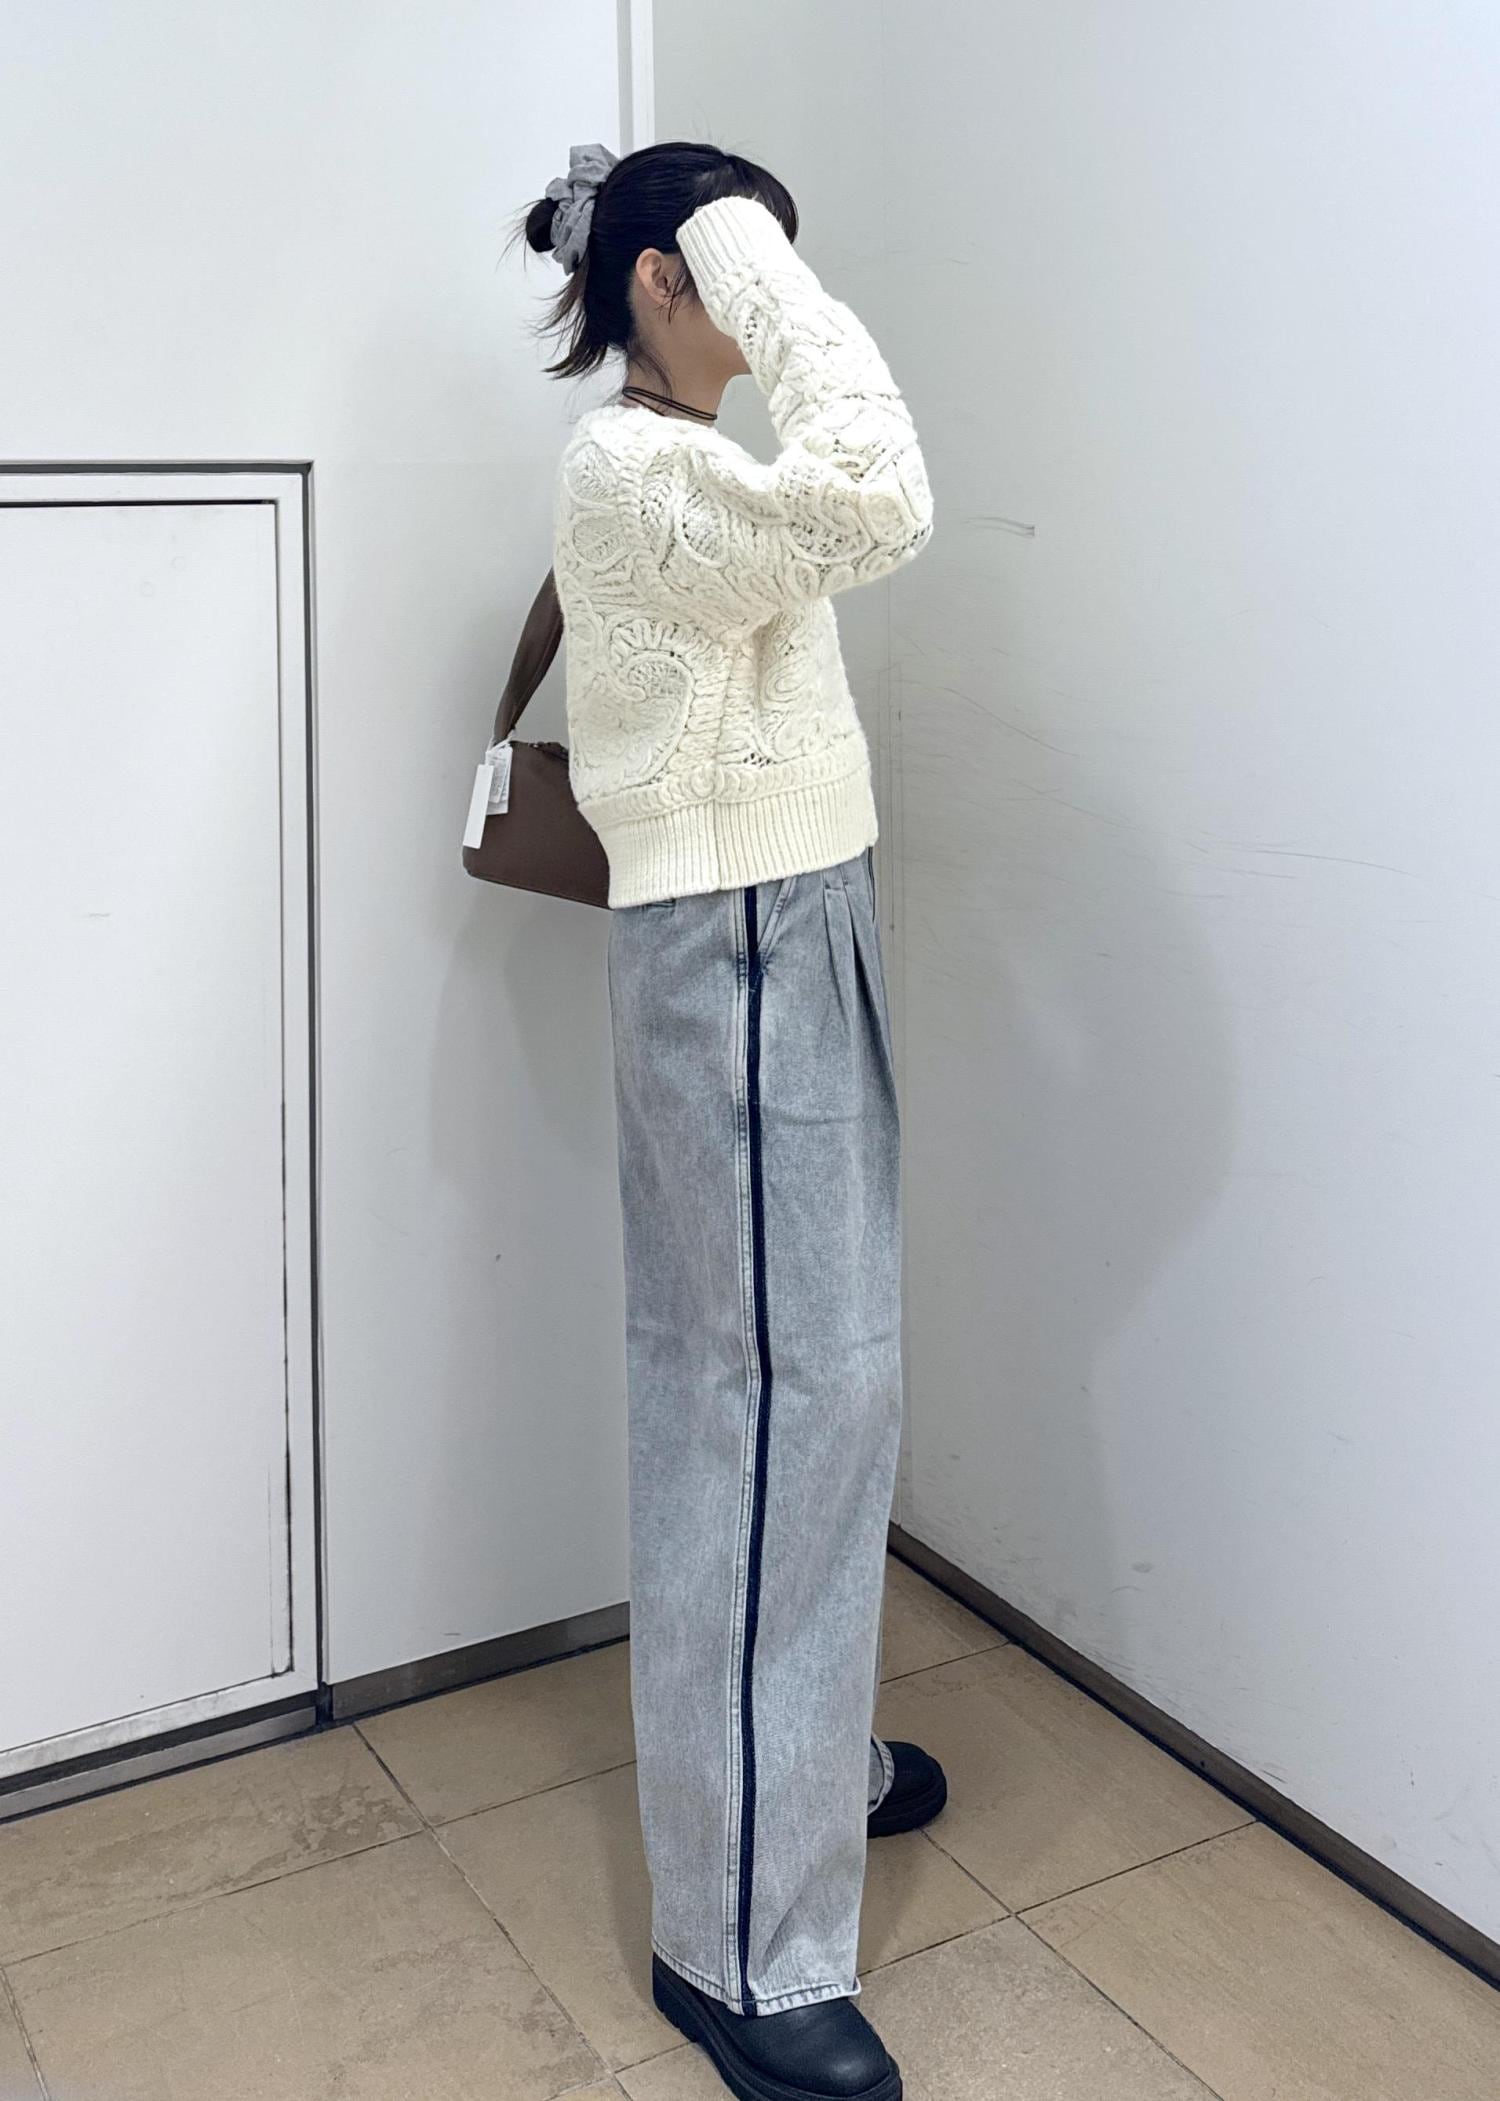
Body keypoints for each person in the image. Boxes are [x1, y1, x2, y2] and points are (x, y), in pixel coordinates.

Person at [515, 140, 941, 2101]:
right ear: (668, 278)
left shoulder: (692, 469)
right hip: (742, 944)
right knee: (770, 1408)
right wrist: (761, 270)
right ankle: (742, 1952)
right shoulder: (634, 467)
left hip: (797, 922)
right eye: (742, 259)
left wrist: (736, 264)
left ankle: (796, 1764)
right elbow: (883, 492)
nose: (775, 293)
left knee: (801, 1394)